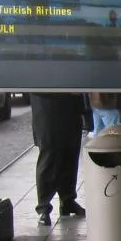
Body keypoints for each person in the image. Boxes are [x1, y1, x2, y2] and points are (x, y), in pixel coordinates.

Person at [30, 93, 87, 226]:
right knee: (49, 156)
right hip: (47, 107)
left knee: (71, 152)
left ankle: (67, 200)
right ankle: (43, 207)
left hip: (71, 106)